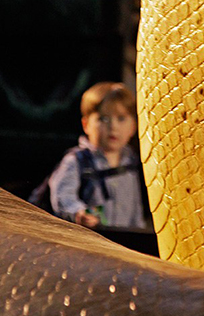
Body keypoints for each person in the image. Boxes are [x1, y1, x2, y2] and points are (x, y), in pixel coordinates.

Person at [49, 82, 146, 228]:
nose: (113, 126)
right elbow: (63, 195)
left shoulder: (130, 163)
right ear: (86, 124)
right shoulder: (77, 161)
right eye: (103, 119)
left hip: (121, 244)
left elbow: (135, 208)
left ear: (133, 126)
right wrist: (79, 213)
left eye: (121, 118)